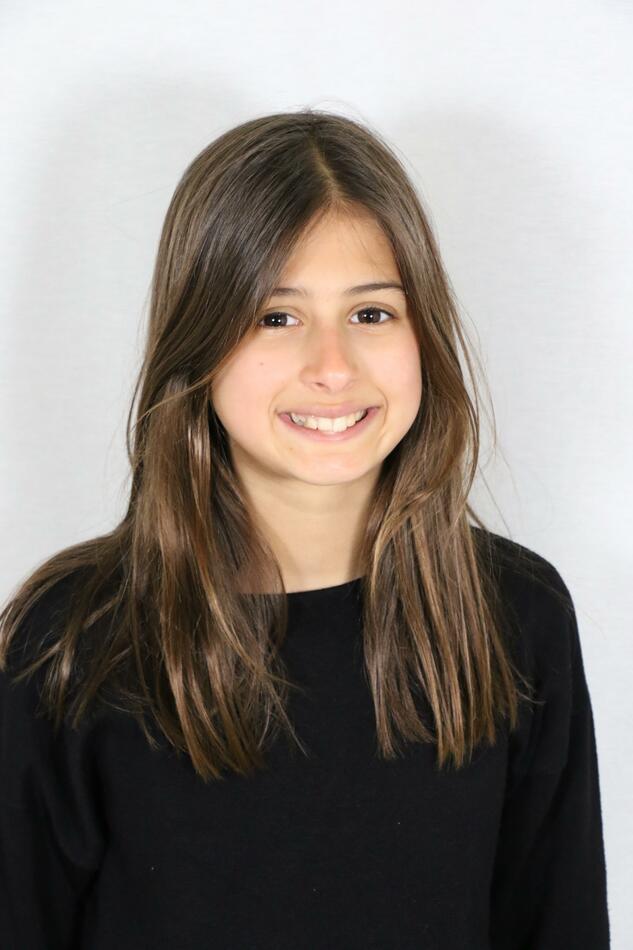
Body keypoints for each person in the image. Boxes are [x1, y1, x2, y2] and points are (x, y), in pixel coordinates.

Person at [0, 109, 610, 948]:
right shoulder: (73, 642)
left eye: (371, 314)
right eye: (275, 317)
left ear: (423, 335)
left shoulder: (514, 616)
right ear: (198, 343)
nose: (332, 368)